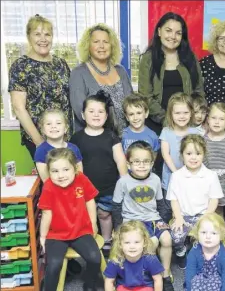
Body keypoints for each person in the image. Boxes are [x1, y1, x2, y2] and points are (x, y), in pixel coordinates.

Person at [70, 90, 127, 256]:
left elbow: (120, 160)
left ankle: (107, 241)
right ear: (83, 114)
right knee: (87, 216)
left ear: (106, 115)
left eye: (100, 111)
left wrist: (124, 182)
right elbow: (71, 163)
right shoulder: (76, 138)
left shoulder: (111, 136)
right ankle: (89, 242)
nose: (96, 115)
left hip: (108, 187)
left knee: (104, 214)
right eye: (91, 111)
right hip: (84, 188)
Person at [111, 141, 174, 291]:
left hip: (152, 218)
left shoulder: (156, 180)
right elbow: (116, 206)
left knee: (167, 239)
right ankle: (145, 276)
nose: (141, 165)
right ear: (128, 163)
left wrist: (163, 222)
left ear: (152, 163)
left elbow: (160, 203)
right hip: (132, 221)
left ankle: (164, 274)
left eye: (146, 161)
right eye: (136, 162)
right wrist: (118, 228)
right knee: (150, 244)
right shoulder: (123, 182)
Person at [9, 15, 72, 160]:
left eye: (47, 34)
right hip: (38, 137)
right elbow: (19, 108)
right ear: (28, 37)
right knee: (50, 180)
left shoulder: (61, 64)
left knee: (68, 178)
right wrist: (40, 143)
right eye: (37, 34)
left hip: (63, 136)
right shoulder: (21, 66)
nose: (43, 39)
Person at [38, 148, 101, 291]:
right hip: (56, 234)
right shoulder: (48, 186)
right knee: (54, 264)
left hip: (81, 230)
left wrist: (93, 223)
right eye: (55, 171)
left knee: (94, 258)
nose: (61, 175)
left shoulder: (82, 179)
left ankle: (89, 285)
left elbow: (90, 201)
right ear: (49, 172)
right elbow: (46, 214)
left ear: (75, 168)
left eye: (66, 169)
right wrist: (43, 236)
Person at [138, 12, 204, 135]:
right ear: (159, 31)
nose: (173, 36)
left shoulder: (190, 58)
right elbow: (145, 96)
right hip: (156, 124)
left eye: (178, 33)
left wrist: (190, 118)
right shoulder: (148, 59)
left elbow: (199, 91)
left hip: (186, 123)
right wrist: (168, 121)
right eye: (168, 30)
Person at [166, 134, 223, 270]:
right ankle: (181, 252)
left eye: (198, 153)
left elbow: (214, 199)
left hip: (204, 215)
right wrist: (178, 217)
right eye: (189, 153)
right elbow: (174, 199)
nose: (193, 157)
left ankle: (199, 255)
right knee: (176, 236)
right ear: (182, 155)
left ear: (204, 154)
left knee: (207, 236)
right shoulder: (176, 176)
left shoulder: (210, 175)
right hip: (183, 215)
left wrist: (206, 217)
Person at [70, 23, 133, 133]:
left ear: (112, 46)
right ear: (88, 46)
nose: (102, 46)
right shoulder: (78, 73)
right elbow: (81, 113)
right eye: (96, 42)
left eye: (106, 42)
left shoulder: (121, 70)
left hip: (126, 137)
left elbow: (132, 104)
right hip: (96, 138)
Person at [159, 92, 199, 222]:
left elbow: (199, 154)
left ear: (191, 113)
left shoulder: (196, 132)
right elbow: (166, 155)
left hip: (191, 178)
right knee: (169, 208)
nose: (182, 116)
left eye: (185, 113)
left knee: (187, 206)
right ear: (171, 114)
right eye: (177, 113)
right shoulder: (166, 131)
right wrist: (177, 173)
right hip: (171, 178)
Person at [104, 221, 164, 291]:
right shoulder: (116, 260)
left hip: (144, 287)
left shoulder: (150, 259)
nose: (132, 246)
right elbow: (109, 281)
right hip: (124, 287)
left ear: (144, 243)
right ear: (120, 244)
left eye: (137, 242)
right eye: (127, 242)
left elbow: (158, 279)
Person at [185, 213, 225, 291]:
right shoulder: (194, 252)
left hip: (220, 281)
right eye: (203, 232)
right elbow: (189, 273)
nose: (208, 237)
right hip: (199, 280)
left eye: (213, 233)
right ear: (197, 234)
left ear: (222, 236)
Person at [34, 109, 83, 182]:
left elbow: (80, 174)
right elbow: (46, 180)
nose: (53, 126)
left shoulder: (74, 148)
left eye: (58, 123)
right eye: (48, 124)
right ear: (43, 130)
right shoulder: (41, 151)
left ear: (66, 128)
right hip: (53, 192)